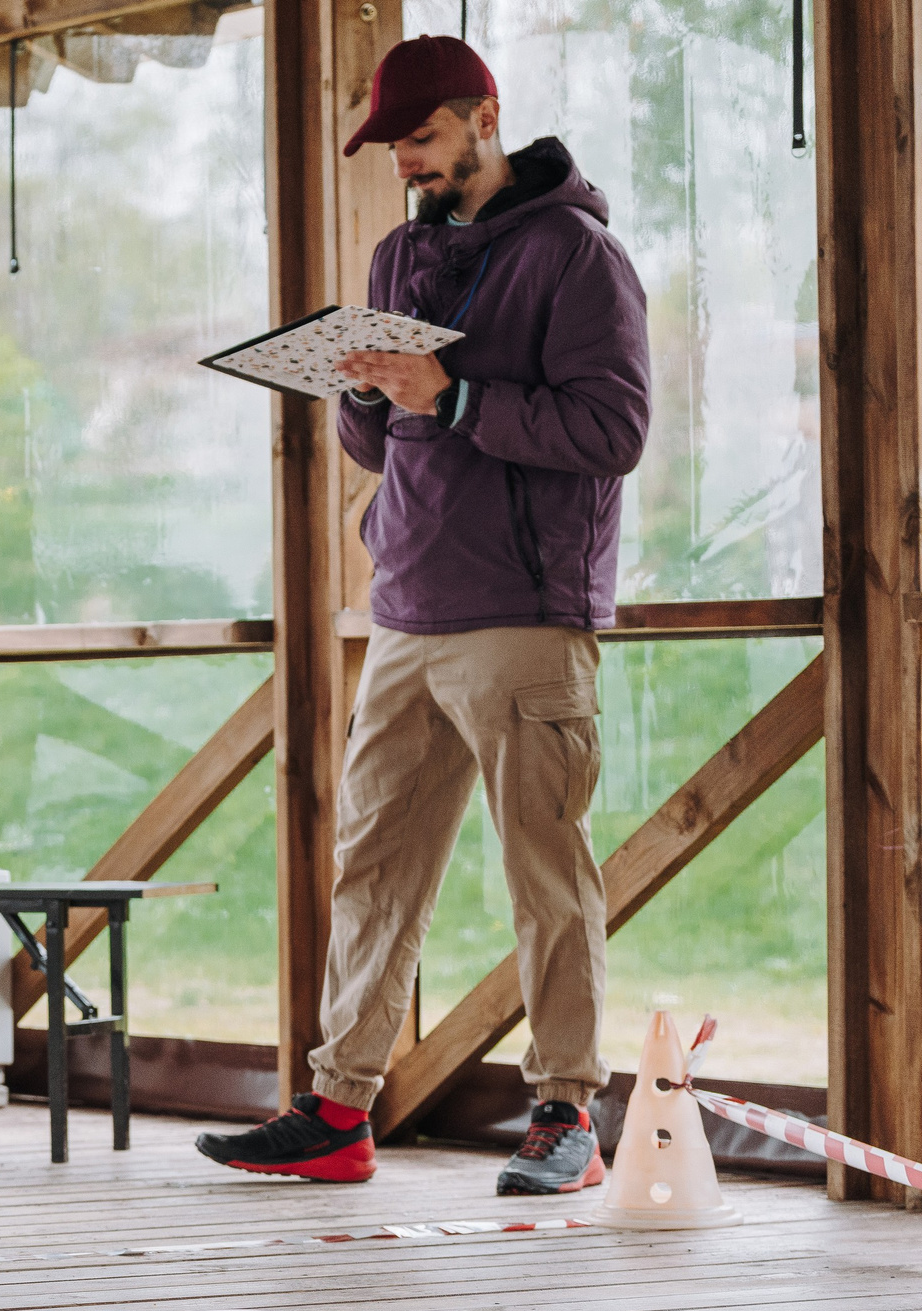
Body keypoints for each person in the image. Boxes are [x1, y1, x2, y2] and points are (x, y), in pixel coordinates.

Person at [197, 37, 648, 1192]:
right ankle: (338, 1110)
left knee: (543, 873)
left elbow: (612, 433)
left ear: (485, 118)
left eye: (422, 138)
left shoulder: (576, 255)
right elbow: (382, 443)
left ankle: (566, 1114)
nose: (405, 163)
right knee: (373, 867)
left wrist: (453, 396)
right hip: (405, 605)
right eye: (393, 146)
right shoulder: (399, 253)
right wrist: (363, 392)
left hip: (524, 611)